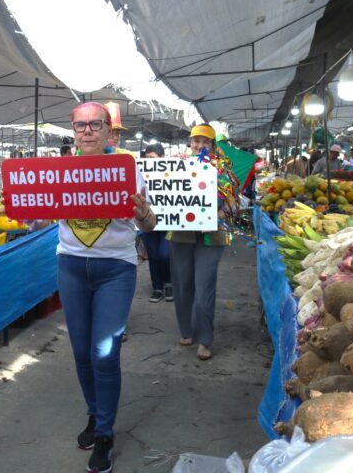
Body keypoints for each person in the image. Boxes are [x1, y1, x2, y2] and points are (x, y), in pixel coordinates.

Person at [58, 101, 155, 473]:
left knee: (104, 352)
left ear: (108, 130)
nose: (87, 131)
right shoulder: (57, 171)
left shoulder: (129, 170)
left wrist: (141, 211)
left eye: (95, 124)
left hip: (115, 267)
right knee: (81, 351)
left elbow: (148, 226)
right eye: (80, 125)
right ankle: (94, 413)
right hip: (69, 265)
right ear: (73, 130)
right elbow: (41, 211)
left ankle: (104, 433)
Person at [170, 123, 238, 362]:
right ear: (190, 142)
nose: (200, 145)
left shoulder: (224, 169)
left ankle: (205, 339)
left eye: (205, 142)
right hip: (180, 232)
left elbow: (234, 204)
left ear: (213, 145)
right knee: (182, 283)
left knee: (205, 285)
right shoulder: (176, 164)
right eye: (196, 141)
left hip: (213, 233)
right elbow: (163, 195)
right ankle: (186, 330)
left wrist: (219, 215)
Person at [141, 143, 171, 303]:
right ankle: (157, 288)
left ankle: (169, 282)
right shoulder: (141, 174)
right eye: (147, 159)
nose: (149, 163)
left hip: (168, 222)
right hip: (148, 221)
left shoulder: (174, 173)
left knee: (165, 255)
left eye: (153, 159)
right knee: (153, 255)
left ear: (163, 159)